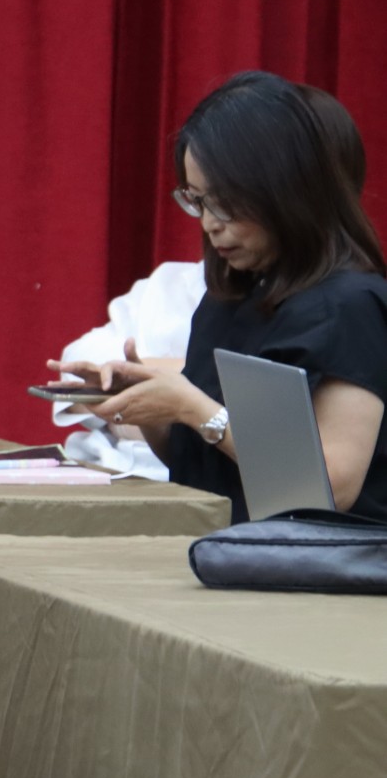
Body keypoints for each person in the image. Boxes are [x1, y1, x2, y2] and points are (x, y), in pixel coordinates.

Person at [51, 71, 387, 522]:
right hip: (217, 544)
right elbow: (202, 468)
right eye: (198, 200)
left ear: (286, 190)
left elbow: (330, 486)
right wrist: (150, 407)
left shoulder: (351, 305)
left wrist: (194, 407)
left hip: (316, 560)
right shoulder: (230, 296)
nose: (209, 223)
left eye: (225, 202)